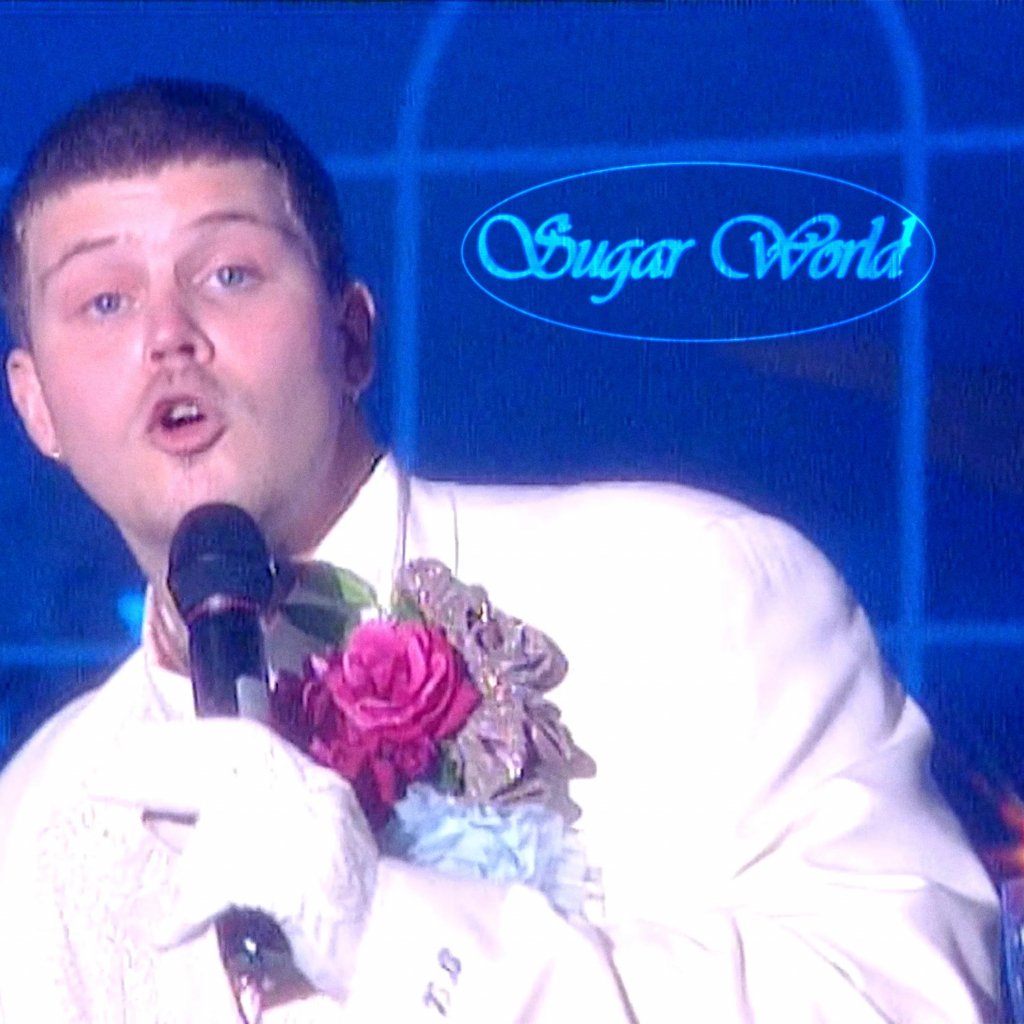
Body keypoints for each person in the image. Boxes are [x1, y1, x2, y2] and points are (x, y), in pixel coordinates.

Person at [0, 78, 1000, 1023]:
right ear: (35, 403)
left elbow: (910, 1001)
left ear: (352, 337)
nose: (169, 335)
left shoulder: (689, 589)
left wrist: (386, 932)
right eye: (103, 301)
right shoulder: (36, 817)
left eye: (230, 274)